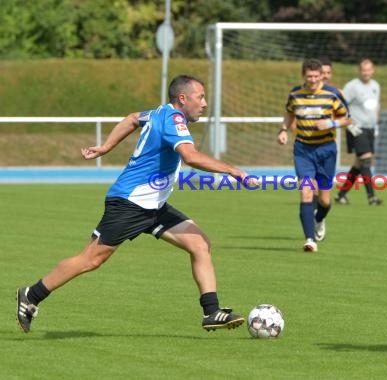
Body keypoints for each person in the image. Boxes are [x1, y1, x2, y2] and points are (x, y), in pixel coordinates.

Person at [16, 75, 256, 333]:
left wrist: (106, 147)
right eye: (200, 97)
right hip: (129, 203)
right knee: (91, 260)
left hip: (154, 206)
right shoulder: (174, 119)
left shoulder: (158, 113)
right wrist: (233, 171)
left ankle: (211, 312)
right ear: (183, 99)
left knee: (200, 243)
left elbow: (132, 118)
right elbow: (190, 156)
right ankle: (32, 294)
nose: (205, 103)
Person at [278, 58, 351, 252]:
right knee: (306, 192)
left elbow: (347, 119)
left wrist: (331, 124)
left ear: (321, 76)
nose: (312, 80)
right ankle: (310, 239)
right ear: (303, 76)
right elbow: (289, 113)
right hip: (303, 150)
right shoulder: (295, 94)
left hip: (326, 149)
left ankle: (319, 219)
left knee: (325, 201)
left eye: (316, 76)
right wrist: (283, 129)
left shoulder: (332, 94)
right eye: (309, 76)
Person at [335, 58, 382, 206]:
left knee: (359, 163)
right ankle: (371, 197)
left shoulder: (375, 86)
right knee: (366, 160)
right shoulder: (351, 86)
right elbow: (340, 105)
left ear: (372, 70)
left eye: (369, 70)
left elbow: (376, 106)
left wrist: (376, 125)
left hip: (370, 128)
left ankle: (341, 195)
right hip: (357, 128)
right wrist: (348, 124)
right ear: (359, 71)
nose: (366, 73)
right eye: (363, 70)